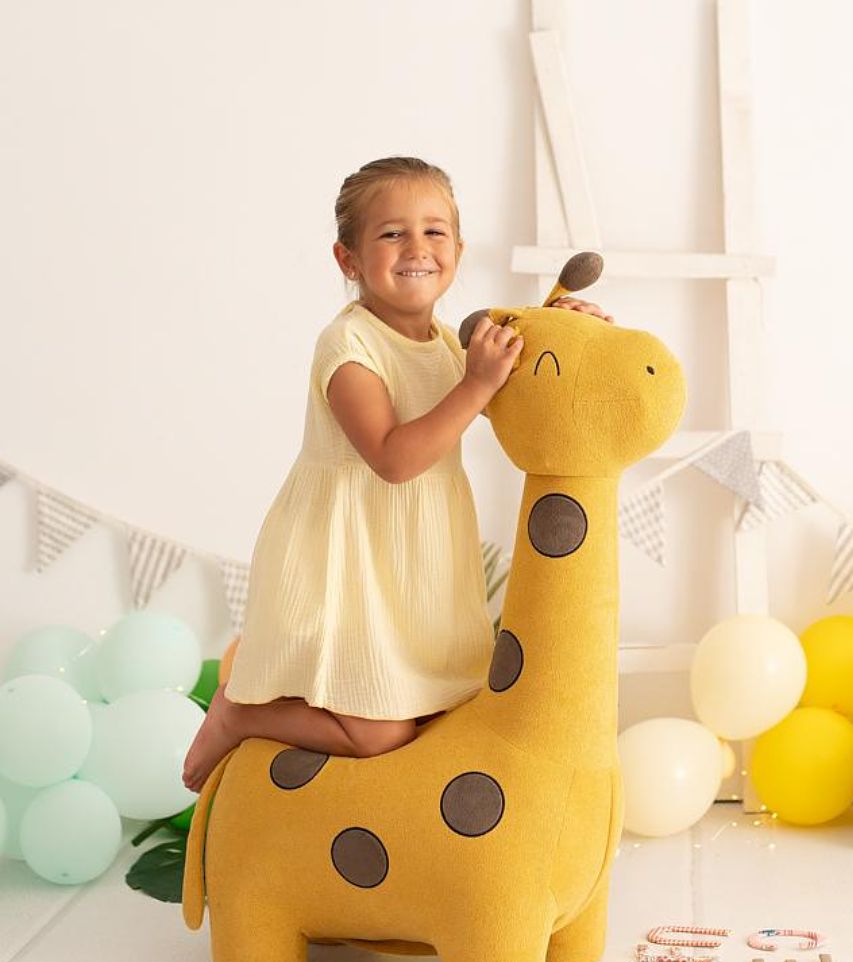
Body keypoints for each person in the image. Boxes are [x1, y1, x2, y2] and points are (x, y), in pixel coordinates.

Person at [182, 156, 612, 792]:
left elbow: (523, 376)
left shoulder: (448, 343)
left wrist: (565, 329)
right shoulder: (348, 345)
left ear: (458, 251)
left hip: (414, 566)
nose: (417, 248)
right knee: (380, 733)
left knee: (445, 705)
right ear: (348, 259)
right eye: (391, 234)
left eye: (435, 231)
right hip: (348, 560)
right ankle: (240, 713)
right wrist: (476, 384)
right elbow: (393, 458)